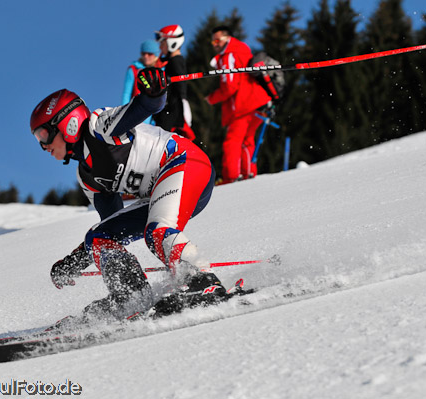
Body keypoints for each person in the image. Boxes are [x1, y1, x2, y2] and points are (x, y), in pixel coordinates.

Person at [29, 68, 226, 321]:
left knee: (157, 231)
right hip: (162, 191)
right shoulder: (87, 177)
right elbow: (112, 228)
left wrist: (154, 89)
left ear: (68, 123)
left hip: (186, 163)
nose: (43, 145)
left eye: (43, 134)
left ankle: (201, 281)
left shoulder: (99, 127)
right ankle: (132, 296)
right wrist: (74, 261)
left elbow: (147, 105)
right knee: (99, 237)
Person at [205, 26, 272, 183]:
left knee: (232, 142)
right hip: (258, 102)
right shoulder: (242, 48)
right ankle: (248, 173)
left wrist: (212, 98)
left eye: (217, 40)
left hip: (243, 105)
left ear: (227, 39)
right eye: (212, 41)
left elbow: (229, 86)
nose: (214, 44)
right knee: (247, 140)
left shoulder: (227, 56)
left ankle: (231, 177)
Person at [153, 24, 195, 141]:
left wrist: (183, 100)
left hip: (172, 110)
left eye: (162, 43)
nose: (160, 47)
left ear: (172, 42)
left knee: (163, 141)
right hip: (166, 109)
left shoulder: (176, 61)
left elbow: (181, 84)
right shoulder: (168, 61)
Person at [121, 40, 160, 125]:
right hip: (135, 114)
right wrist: (123, 114)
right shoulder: (134, 70)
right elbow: (126, 94)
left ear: (156, 55)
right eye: (143, 53)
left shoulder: (160, 72)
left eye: (150, 54)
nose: (146, 56)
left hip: (153, 119)